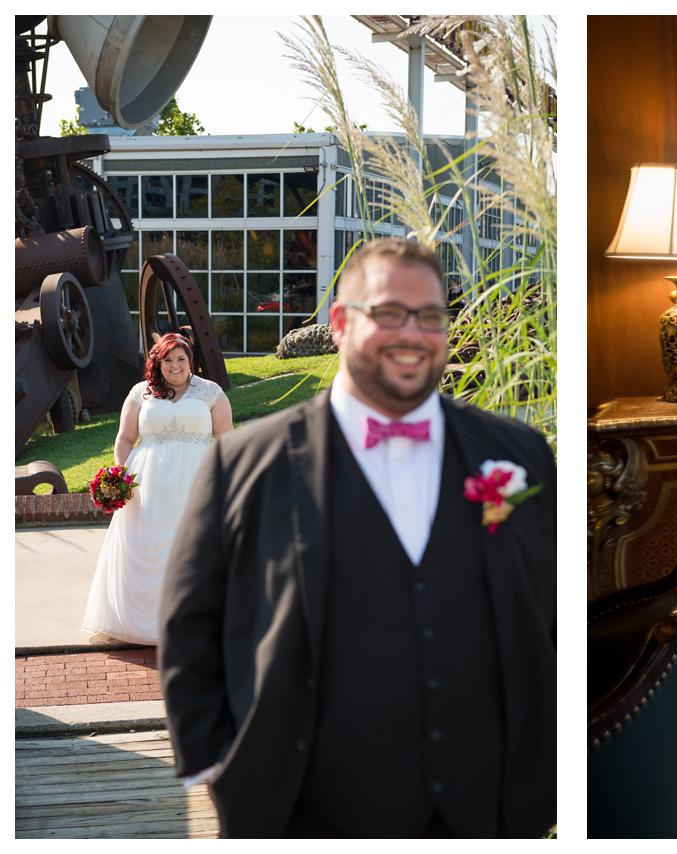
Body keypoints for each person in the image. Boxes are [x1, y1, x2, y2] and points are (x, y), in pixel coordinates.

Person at [159, 237, 557, 837]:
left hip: (492, 812)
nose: (415, 334)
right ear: (341, 323)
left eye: (431, 317)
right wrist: (222, 766)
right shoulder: (245, 465)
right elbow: (190, 627)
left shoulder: (519, 454)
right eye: (391, 313)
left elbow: (557, 612)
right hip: (308, 814)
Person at [82, 334, 233, 646]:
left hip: (197, 483)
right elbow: (124, 439)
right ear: (157, 363)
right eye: (168, 360)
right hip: (147, 485)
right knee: (144, 547)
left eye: (181, 359)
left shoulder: (211, 393)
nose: (175, 366)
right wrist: (119, 476)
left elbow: (228, 440)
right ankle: (140, 625)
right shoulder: (141, 393)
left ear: (191, 361)